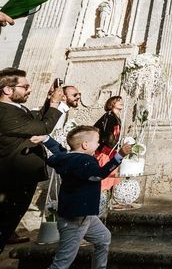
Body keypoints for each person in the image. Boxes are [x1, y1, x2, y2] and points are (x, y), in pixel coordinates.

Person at [30, 126, 131, 269]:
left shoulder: (68, 158)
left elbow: (59, 150)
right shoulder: (85, 161)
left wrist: (46, 139)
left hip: (83, 214)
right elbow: (98, 175)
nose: (98, 144)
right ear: (85, 145)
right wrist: (119, 156)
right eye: (97, 141)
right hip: (76, 217)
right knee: (62, 262)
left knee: (103, 238)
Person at [0, 68, 65, 253]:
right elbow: (43, 127)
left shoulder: (15, 108)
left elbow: (35, 121)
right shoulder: (4, 112)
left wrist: (48, 100)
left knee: (7, 224)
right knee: (4, 223)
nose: (29, 89)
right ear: (7, 90)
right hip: (12, 179)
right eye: (25, 86)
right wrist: (54, 103)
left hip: (19, 178)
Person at [94, 95, 123, 192]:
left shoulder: (115, 117)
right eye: (118, 101)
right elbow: (106, 133)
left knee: (112, 172)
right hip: (106, 150)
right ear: (112, 104)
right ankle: (103, 195)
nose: (121, 102)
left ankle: (111, 195)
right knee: (106, 173)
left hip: (112, 149)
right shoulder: (109, 116)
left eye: (121, 101)